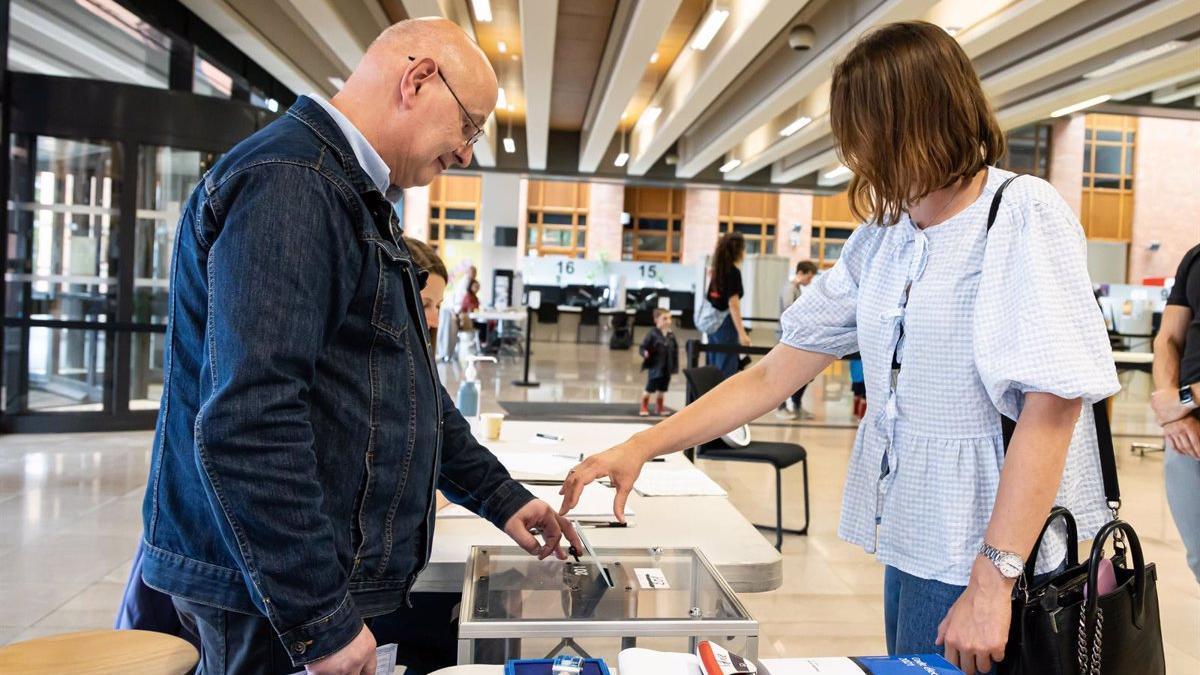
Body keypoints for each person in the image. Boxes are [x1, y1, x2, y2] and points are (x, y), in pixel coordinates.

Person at [559, 21, 1118, 675]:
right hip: (916, 544)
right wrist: (641, 446)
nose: (859, 158)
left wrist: (994, 579)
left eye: (868, 135)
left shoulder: (1021, 214)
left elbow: (1052, 407)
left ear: (921, 119)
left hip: (1007, 562)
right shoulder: (885, 238)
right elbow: (772, 373)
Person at [139, 18, 582, 675]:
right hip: (263, 591)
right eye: (469, 127)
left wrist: (504, 497)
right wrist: (318, 614)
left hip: (287, 583)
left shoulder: (349, 193)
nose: (465, 152)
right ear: (418, 79)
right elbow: (249, 420)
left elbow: (406, 397)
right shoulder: (293, 183)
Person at [1151, 242, 1200, 584]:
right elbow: (1167, 338)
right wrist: (1175, 413)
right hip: (1185, 434)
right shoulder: (1196, 256)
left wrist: (1185, 398)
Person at [705, 232, 752, 378]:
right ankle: (722, 401)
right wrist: (742, 334)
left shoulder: (717, 271)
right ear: (737, 251)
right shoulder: (733, 272)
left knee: (713, 367)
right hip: (726, 326)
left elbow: (710, 297)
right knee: (726, 371)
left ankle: (711, 400)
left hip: (713, 325)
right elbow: (733, 305)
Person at [776, 260, 818, 419]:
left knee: (805, 374)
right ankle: (781, 407)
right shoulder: (789, 289)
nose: (810, 280)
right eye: (809, 276)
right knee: (785, 374)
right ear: (801, 273)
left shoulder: (797, 289)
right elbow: (790, 312)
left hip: (798, 337)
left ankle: (797, 404)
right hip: (787, 338)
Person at [639, 308, 679, 417]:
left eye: (669, 318)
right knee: (650, 388)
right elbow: (643, 347)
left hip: (667, 367)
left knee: (662, 389)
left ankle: (659, 407)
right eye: (664, 318)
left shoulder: (671, 335)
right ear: (656, 319)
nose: (668, 321)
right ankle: (644, 406)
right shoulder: (652, 334)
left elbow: (675, 351)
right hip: (656, 367)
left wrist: (674, 367)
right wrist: (645, 353)